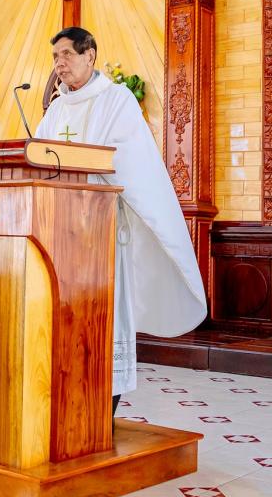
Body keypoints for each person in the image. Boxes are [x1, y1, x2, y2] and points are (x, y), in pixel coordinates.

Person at [34, 27, 207, 420]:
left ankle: (102, 411)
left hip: (101, 229)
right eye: (55, 57)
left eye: (66, 54)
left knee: (103, 319)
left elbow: (131, 159)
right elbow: (37, 158)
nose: (59, 64)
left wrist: (83, 167)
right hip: (57, 230)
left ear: (90, 55)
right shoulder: (57, 110)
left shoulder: (117, 100)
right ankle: (62, 406)